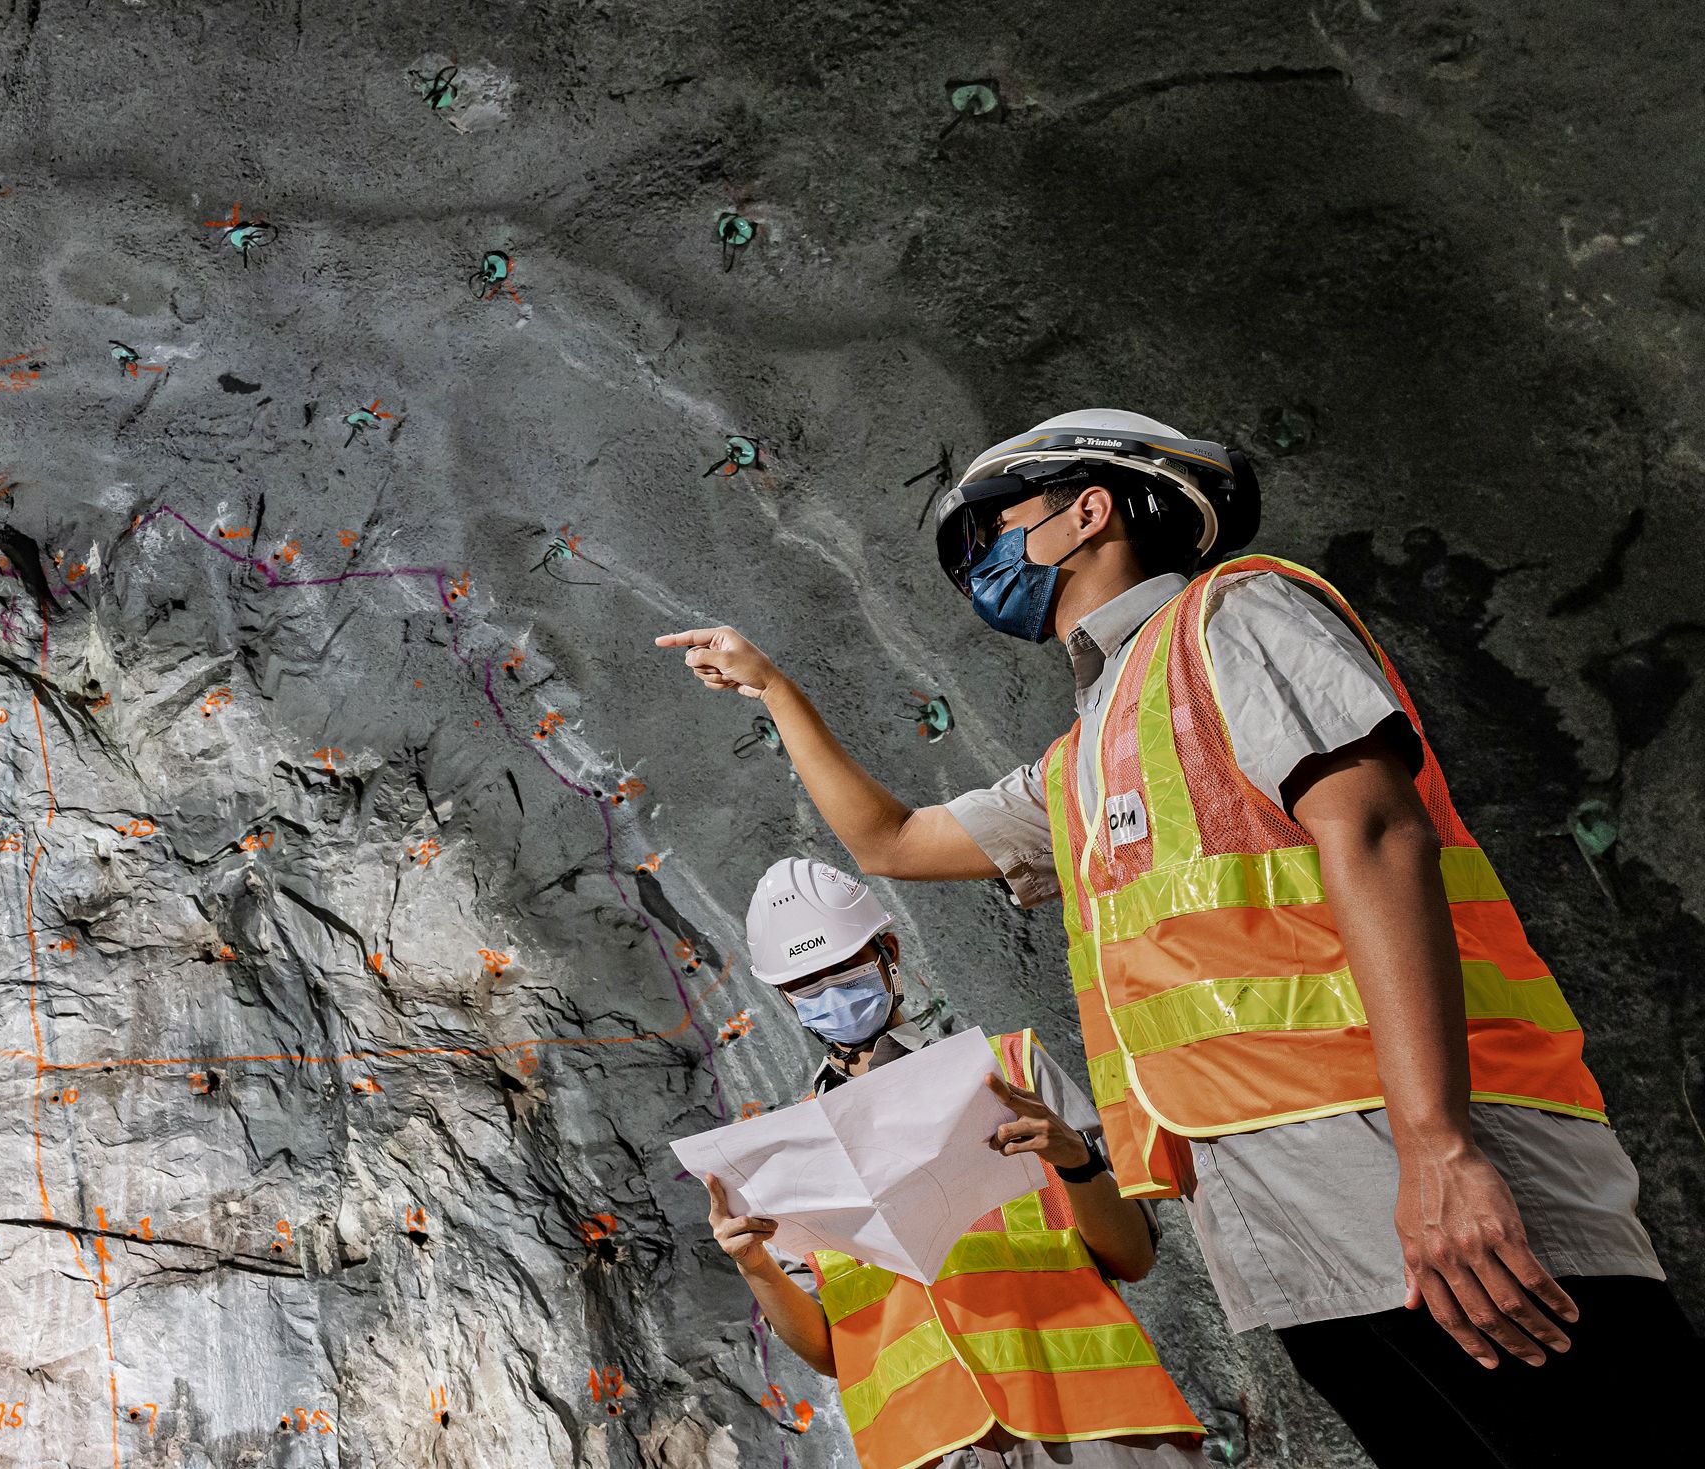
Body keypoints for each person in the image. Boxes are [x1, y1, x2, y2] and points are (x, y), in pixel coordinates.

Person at [656, 409, 1699, 1467]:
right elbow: (892, 840)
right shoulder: (1079, 758)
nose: (978, 560)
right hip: (1275, 1212)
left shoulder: (1234, 616)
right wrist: (772, 688)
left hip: (1403, 1149)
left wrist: (1436, 1144)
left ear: (1086, 512)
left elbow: (1376, 832)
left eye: (991, 526)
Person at [702, 854, 1209, 1468]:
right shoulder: (790, 1153)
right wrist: (754, 1263)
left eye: (844, 969)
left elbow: (1133, 1257)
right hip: (932, 1448)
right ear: (784, 997)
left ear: (888, 950)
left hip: (1094, 1426)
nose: (829, 993)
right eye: (807, 985)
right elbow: (829, 1354)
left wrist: (1076, 1161)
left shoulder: (1010, 1072)